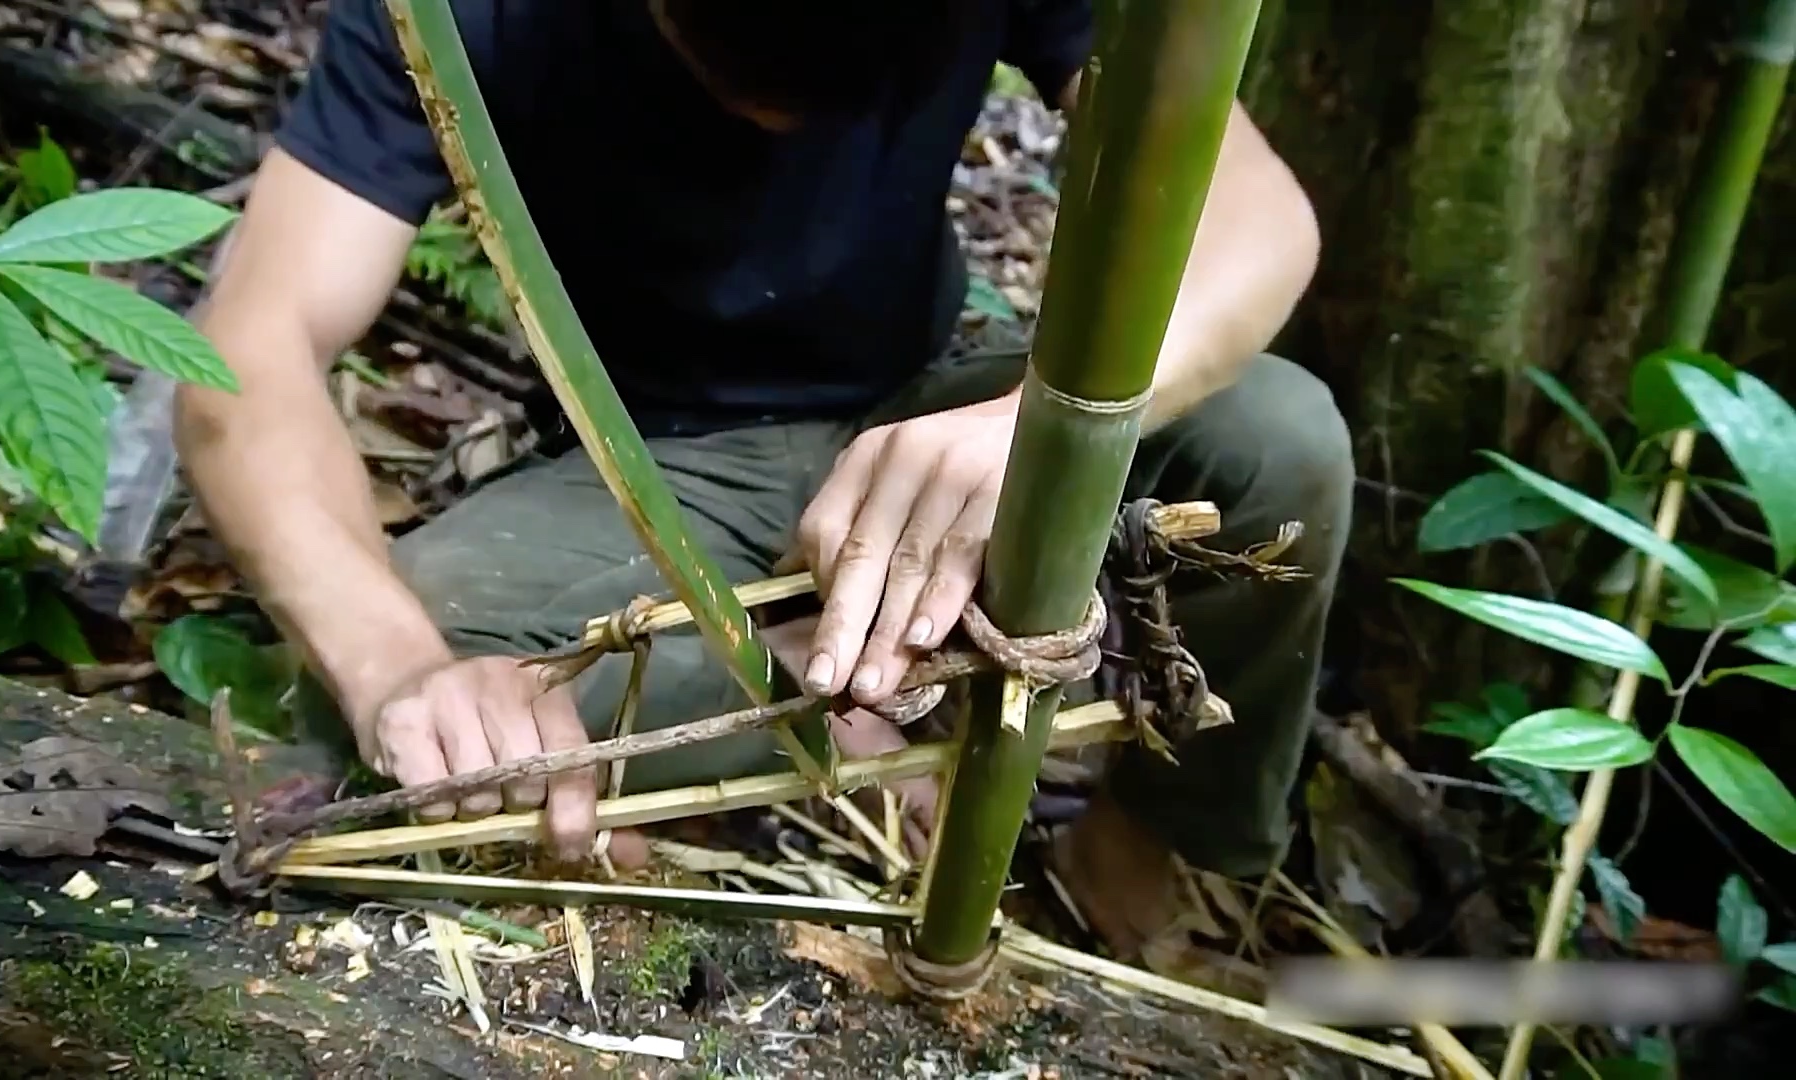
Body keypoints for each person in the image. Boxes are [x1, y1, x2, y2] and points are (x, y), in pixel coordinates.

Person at [175, 0, 1349, 970]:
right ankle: (843, 684)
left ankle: (1139, 853)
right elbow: (251, 351)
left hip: (927, 410)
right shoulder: (464, 15)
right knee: (411, 707)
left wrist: (1032, 429)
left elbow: (1257, 214)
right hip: (654, 469)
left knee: (1274, 444)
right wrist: (403, 668)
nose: (772, 127)